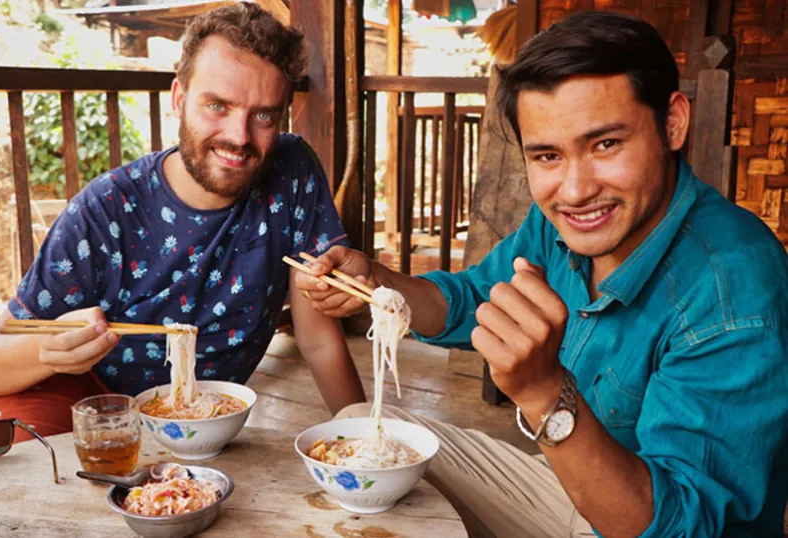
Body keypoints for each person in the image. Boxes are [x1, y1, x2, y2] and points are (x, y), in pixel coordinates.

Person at [295, 11, 788, 538]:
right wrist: (380, 286)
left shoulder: (733, 294)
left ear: (672, 123)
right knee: (376, 442)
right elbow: (472, 300)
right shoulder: (561, 227)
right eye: (548, 155)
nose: (574, 191)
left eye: (606, 145)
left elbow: (675, 526)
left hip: (644, 518)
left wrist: (547, 395)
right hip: (572, 490)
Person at [0, 3, 365, 441]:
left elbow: (317, 339)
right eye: (218, 105)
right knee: (12, 453)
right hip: (81, 394)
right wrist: (47, 352)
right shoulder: (105, 209)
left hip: (198, 418)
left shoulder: (292, 170)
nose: (239, 136)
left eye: (263, 116)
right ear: (179, 99)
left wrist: (363, 435)